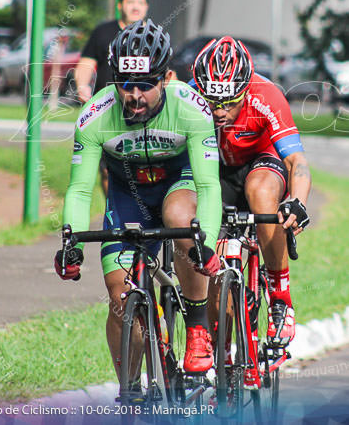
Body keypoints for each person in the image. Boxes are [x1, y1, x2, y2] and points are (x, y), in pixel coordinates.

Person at [55, 19, 223, 382]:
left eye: (145, 85)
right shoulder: (95, 115)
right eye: (125, 85)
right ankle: (129, 393)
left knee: (180, 218)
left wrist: (205, 242)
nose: (134, 95)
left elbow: (209, 186)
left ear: (165, 78)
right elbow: (81, 190)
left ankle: (196, 325)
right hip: (126, 196)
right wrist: (71, 241)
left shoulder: (192, 108)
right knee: (119, 300)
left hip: (178, 184)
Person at [191, 36, 310, 374]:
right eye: (211, 101)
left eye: (229, 103)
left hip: (261, 163)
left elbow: (297, 161)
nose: (218, 111)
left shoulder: (265, 95)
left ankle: (280, 298)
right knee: (213, 275)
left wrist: (298, 202)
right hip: (214, 172)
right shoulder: (189, 95)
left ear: (244, 89)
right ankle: (224, 361)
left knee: (260, 192)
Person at [74, 0, 150, 195]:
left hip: (145, 113)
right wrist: (82, 86)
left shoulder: (154, 36)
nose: (135, 6)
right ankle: (114, 215)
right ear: (120, 6)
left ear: (146, 8)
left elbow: (167, 73)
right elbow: (86, 65)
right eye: (130, 2)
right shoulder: (103, 32)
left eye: (140, 2)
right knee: (109, 170)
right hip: (108, 111)